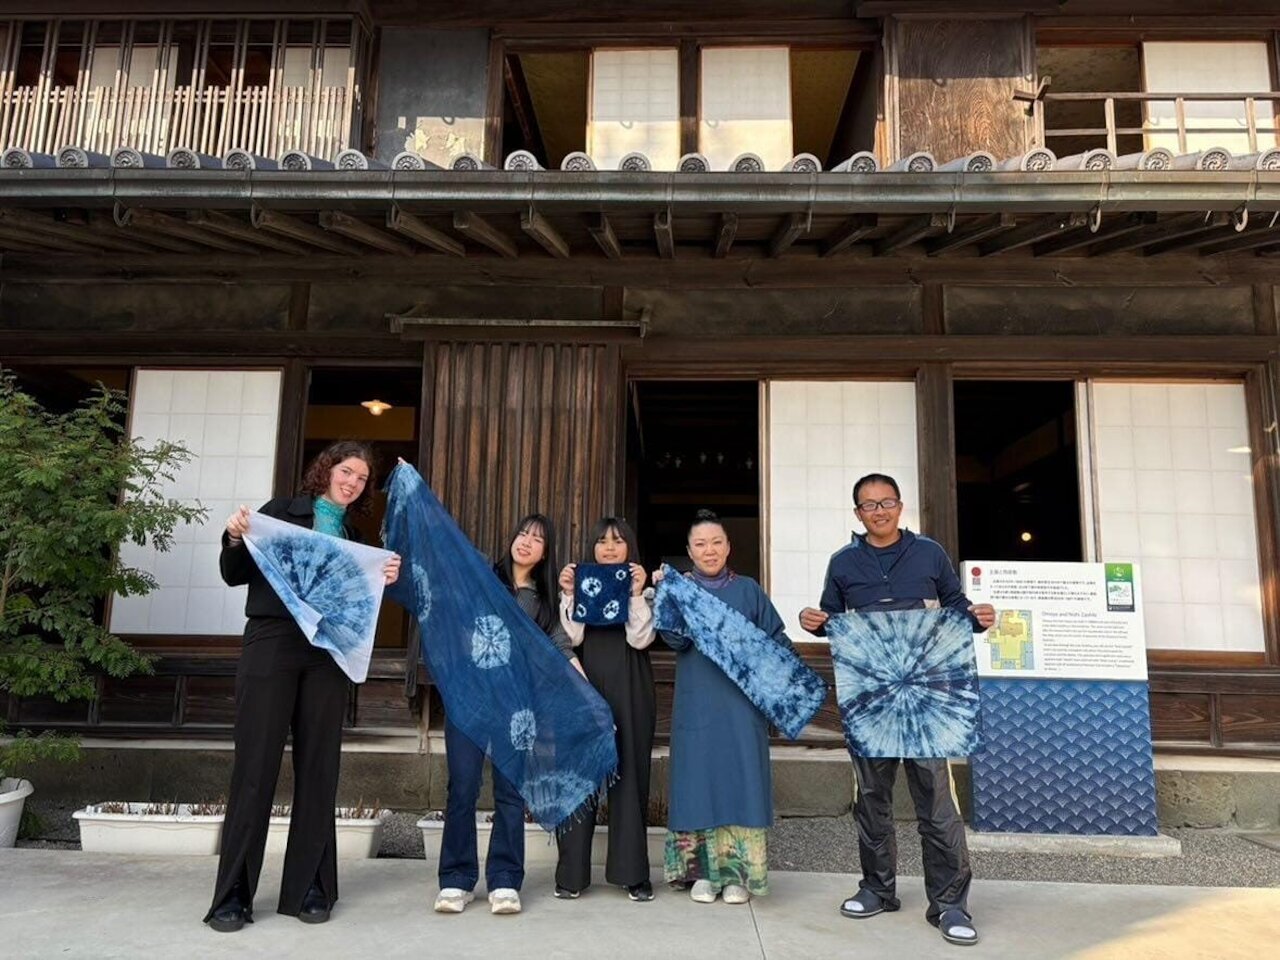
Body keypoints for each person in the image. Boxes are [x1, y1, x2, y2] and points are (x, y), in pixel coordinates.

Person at [205, 440, 401, 933]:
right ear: (327, 469)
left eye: (361, 478)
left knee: (319, 769)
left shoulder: (356, 536)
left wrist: (383, 575)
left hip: (328, 655)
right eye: (346, 470)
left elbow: (358, 602)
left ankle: (311, 887)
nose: (352, 481)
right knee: (255, 767)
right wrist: (232, 536)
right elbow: (234, 574)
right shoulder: (280, 512)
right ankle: (232, 895)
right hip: (272, 643)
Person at [799, 472, 994, 948]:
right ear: (857, 514)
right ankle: (877, 888)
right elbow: (832, 619)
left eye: (886, 502)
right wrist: (816, 623)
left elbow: (955, 606)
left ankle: (949, 904)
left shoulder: (929, 553)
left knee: (936, 803)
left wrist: (977, 618)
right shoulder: (843, 563)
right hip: (870, 702)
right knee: (872, 799)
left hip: (926, 700)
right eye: (869, 505)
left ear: (900, 506)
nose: (879, 511)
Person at [434, 513, 577, 917]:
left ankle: (504, 880)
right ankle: (456, 880)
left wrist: (592, 695)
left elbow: (563, 650)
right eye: (522, 534)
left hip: (516, 708)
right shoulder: (482, 575)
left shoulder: (543, 603)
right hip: (469, 700)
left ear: (546, 552)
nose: (526, 542)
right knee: (461, 788)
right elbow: (448, 545)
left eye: (537, 539)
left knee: (511, 793)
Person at [655, 509, 795, 905]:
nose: (709, 550)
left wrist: (790, 691)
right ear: (689, 551)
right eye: (700, 544)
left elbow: (776, 639)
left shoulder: (748, 589)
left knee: (740, 780)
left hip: (741, 705)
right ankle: (701, 873)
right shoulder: (680, 589)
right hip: (697, 701)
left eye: (716, 542)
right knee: (698, 780)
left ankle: (737, 875)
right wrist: (671, 595)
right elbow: (675, 641)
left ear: (728, 546)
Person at [554, 517, 656, 902]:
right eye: (601, 542)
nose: (609, 548)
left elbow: (641, 638)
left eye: (617, 541)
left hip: (630, 686)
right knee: (580, 773)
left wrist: (634, 593)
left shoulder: (641, 592)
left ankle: (633, 874)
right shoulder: (582, 584)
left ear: (630, 548)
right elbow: (574, 636)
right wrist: (567, 594)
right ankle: (572, 875)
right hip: (585, 684)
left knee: (629, 775)